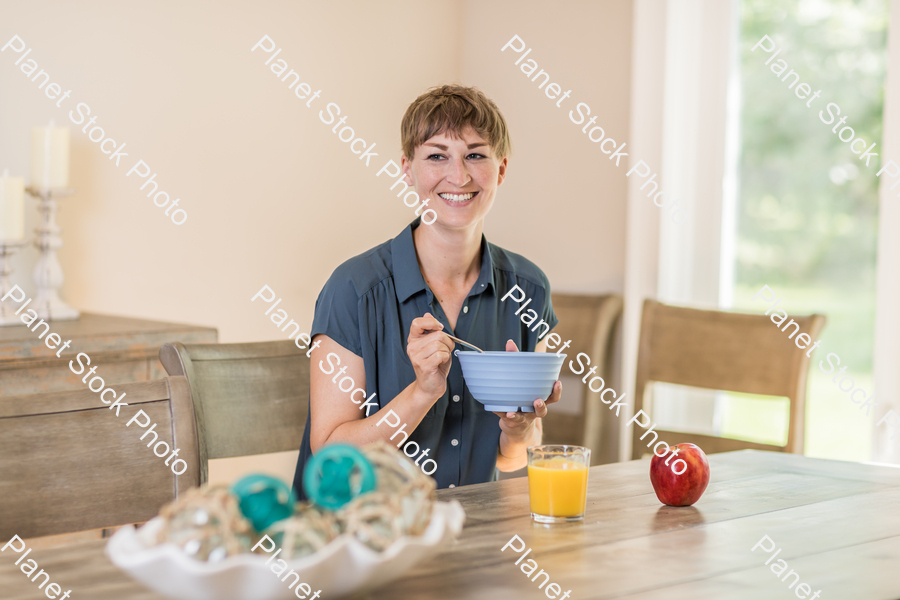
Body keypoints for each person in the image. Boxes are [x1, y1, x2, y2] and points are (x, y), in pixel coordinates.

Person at [292, 84, 561, 495]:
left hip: (466, 536)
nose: (459, 175)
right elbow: (331, 459)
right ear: (407, 169)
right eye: (437, 156)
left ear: (501, 169)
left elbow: (513, 457)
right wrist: (422, 393)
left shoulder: (528, 289)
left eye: (475, 154)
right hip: (356, 537)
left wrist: (519, 427)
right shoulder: (353, 289)